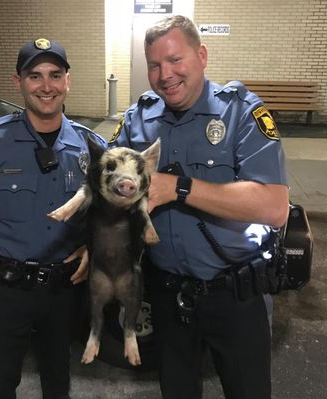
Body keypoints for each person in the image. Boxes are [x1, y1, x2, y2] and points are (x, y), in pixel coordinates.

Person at [110, 15, 289, 399]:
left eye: (175, 60)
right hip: (168, 296)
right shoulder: (138, 118)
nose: (165, 75)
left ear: (202, 55)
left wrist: (179, 187)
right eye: (154, 65)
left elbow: (274, 207)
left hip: (235, 295)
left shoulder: (241, 112)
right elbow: (109, 186)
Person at [0, 38, 107, 399]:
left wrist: (94, 249)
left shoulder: (90, 146)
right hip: (4, 291)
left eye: (55, 75)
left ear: (68, 81)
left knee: (58, 383)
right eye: (35, 76)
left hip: (63, 291)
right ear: (18, 81)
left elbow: (107, 209)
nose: (46, 86)